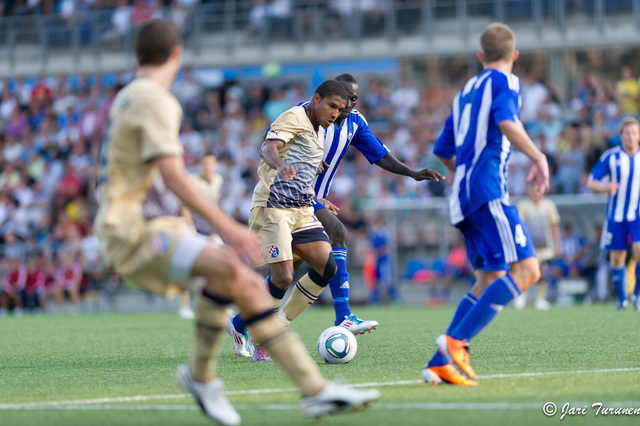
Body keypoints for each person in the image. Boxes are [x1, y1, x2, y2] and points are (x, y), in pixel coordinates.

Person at [95, 19, 379, 425]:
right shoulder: (156, 100)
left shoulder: (129, 97)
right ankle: (213, 379)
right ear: (177, 55)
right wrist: (227, 228)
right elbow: (174, 176)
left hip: (144, 225)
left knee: (240, 279)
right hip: (134, 231)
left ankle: (305, 390)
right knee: (254, 275)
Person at [227, 73, 444, 346]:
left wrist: (411, 173)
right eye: (342, 101)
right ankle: (338, 316)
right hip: (281, 201)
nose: (347, 107)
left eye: (352, 101)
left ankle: (244, 323)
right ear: (323, 99)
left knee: (298, 272)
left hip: (306, 201)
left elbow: (379, 155)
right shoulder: (305, 115)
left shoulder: (350, 121)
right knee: (335, 236)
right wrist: (283, 168)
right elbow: (271, 145)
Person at [422, 22, 550, 387]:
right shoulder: (506, 82)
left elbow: (442, 150)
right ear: (515, 55)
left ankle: (439, 363)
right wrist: (539, 157)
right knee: (528, 271)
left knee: (489, 276)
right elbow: (507, 122)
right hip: (488, 191)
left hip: (461, 196)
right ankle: (455, 343)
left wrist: (464, 174)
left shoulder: (464, 91)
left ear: (480, 56)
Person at [227, 79, 350, 362]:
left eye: (340, 110)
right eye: (331, 105)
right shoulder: (294, 116)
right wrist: (281, 166)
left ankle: (257, 325)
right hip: (275, 206)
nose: (335, 113)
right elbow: (268, 148)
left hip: (302, 208)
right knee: (282, 277)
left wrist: (317, 196)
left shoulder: (320, 130)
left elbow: (302, 164)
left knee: (326, 266)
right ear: (316, 99)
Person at [587, 116, 640, 311]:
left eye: (634, 133)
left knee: (639, 251)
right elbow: (592, 181)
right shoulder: (611, 156)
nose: (631, 137)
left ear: (639, 136)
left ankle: (637, 295)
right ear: (621, 136)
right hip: (615, 217)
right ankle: (621, 299)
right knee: (617, 258)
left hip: (637, 215)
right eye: (627, 133)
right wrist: (605, 188)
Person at [178, 153, 224, 320]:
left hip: (211, 229)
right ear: (200, 165)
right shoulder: (192, 180)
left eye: (211, 164)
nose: (208, 167)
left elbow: (214, 204)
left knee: (221, 264)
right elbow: (184, 205)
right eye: (205, 164)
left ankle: (219, 304)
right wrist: (189, 226)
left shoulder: (218, 180)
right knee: (189, 269)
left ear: (216, 165)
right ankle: (184, 306)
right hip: (195, 229)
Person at [515, 183, 562, 310]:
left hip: (545, 246)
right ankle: (522, 296)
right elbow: (519, 227)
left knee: (543, 272)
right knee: (526, 271)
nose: (536, 193)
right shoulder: (522, 205)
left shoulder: (549, 205)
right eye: (533, 189)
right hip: (528, 246)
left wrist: (558, 245)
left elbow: (554, 226)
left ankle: (540, 299)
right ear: (528, 190)